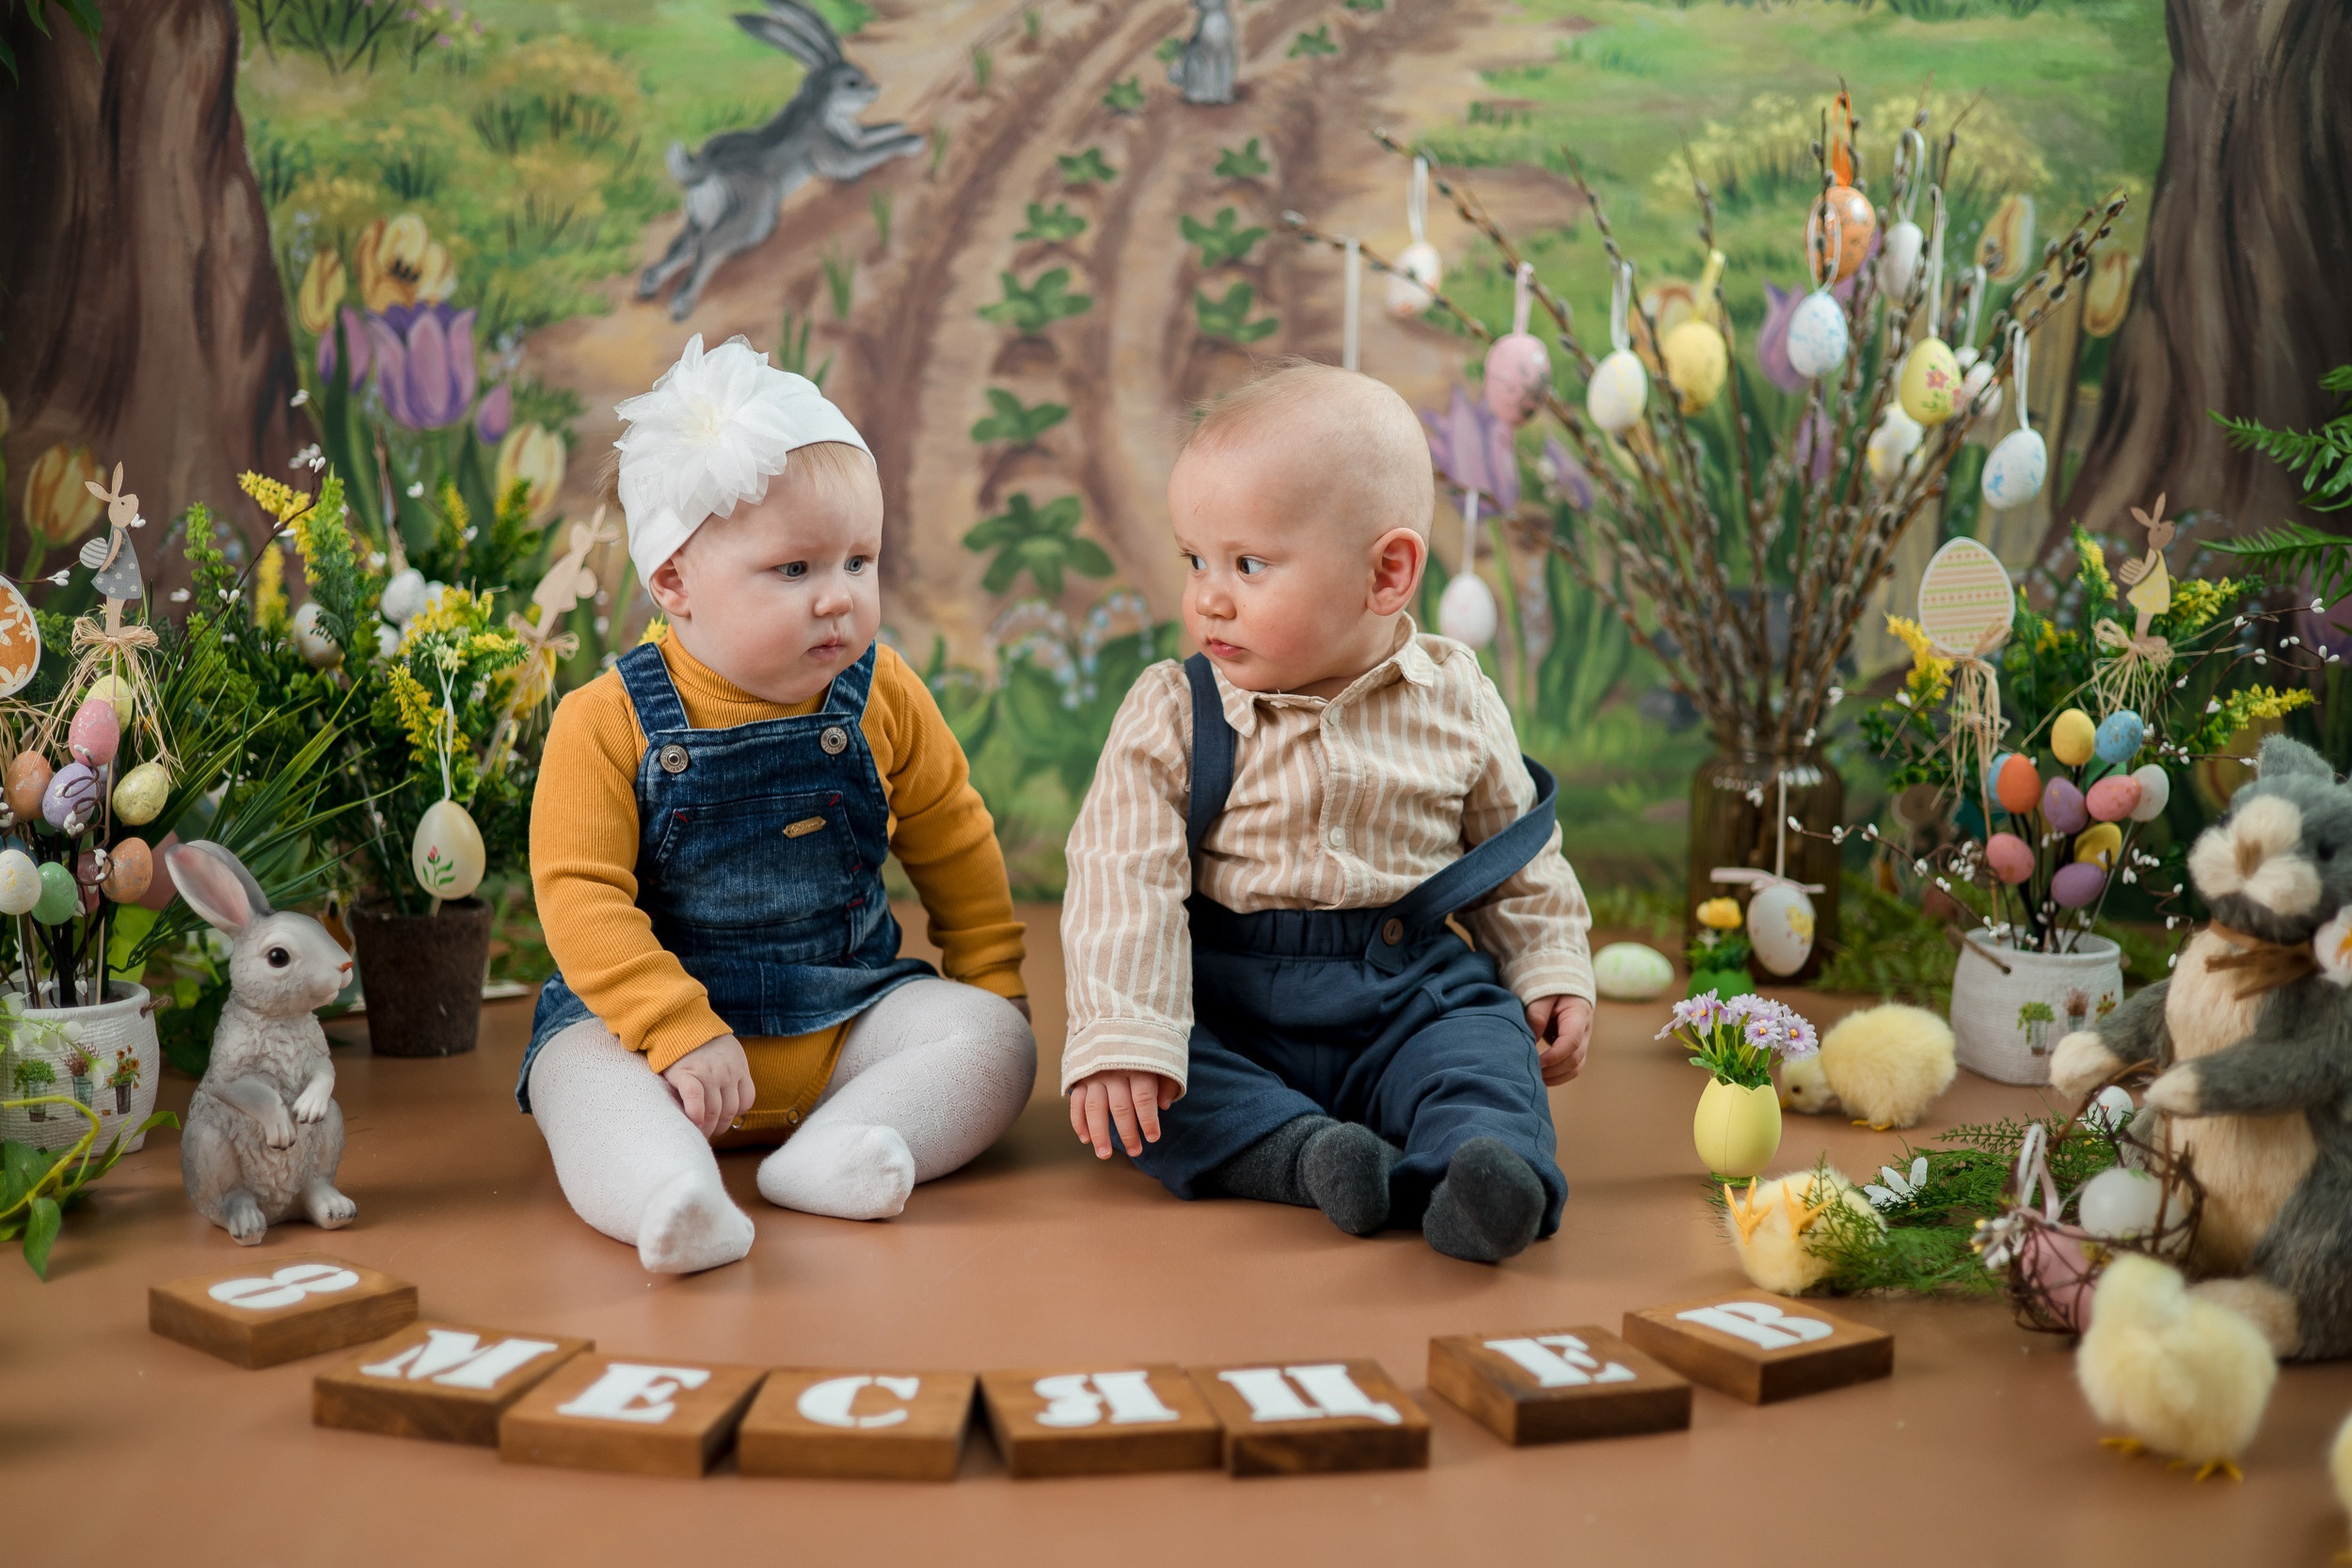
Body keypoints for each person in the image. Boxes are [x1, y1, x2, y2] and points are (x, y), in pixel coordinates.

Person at [1059, 359, 1597, 1263]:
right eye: (1195, 559)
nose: (1208, 596)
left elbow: (1514, 856)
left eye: (1249, 564)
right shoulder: (1176, 710)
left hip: (1406, 991)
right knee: (1148, 1088)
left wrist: (1548, 966)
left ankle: (1480, 1173)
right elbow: (1122, 874)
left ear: (1387, 573)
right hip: (1234, 1000)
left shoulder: (1453, 697)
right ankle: (1307, 1156)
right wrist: (1127, 1030)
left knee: (1483, 1046)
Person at [522, 334, 1035, 1274]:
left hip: (842, 1020)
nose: (837, 599)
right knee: (576, 1073)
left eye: (858, 561)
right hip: (654, 1045)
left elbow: (952, 833)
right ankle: (667, 1191)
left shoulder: (881, 693)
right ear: (673, 581)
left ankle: (841, 1148)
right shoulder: (604, 722)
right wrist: (673, 1025)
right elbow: (580, 897)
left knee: (997, 1040)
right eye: (795, 570)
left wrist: (990, 975)